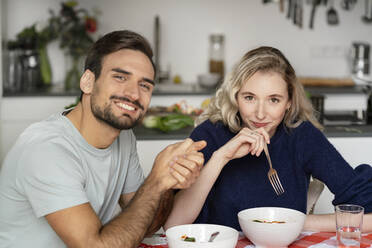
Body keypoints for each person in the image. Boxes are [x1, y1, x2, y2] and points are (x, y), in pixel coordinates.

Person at [0, 30, 206, 248]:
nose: (134, 94)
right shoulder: (47, 149)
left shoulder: (123, 136)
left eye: (144, 85)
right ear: (88, 82)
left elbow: (146, 223)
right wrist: (155, 182)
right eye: (120, 77)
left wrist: (167, 179)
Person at [164, 46, 372, 232]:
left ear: (289, 102)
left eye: (273, 100)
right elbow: (174, 224)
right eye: (250, 98)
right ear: (236, 97)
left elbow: (367, 217)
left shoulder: (301, 136)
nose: (260, 114)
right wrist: (221, 157)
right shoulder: (210, 134)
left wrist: (300, 222)